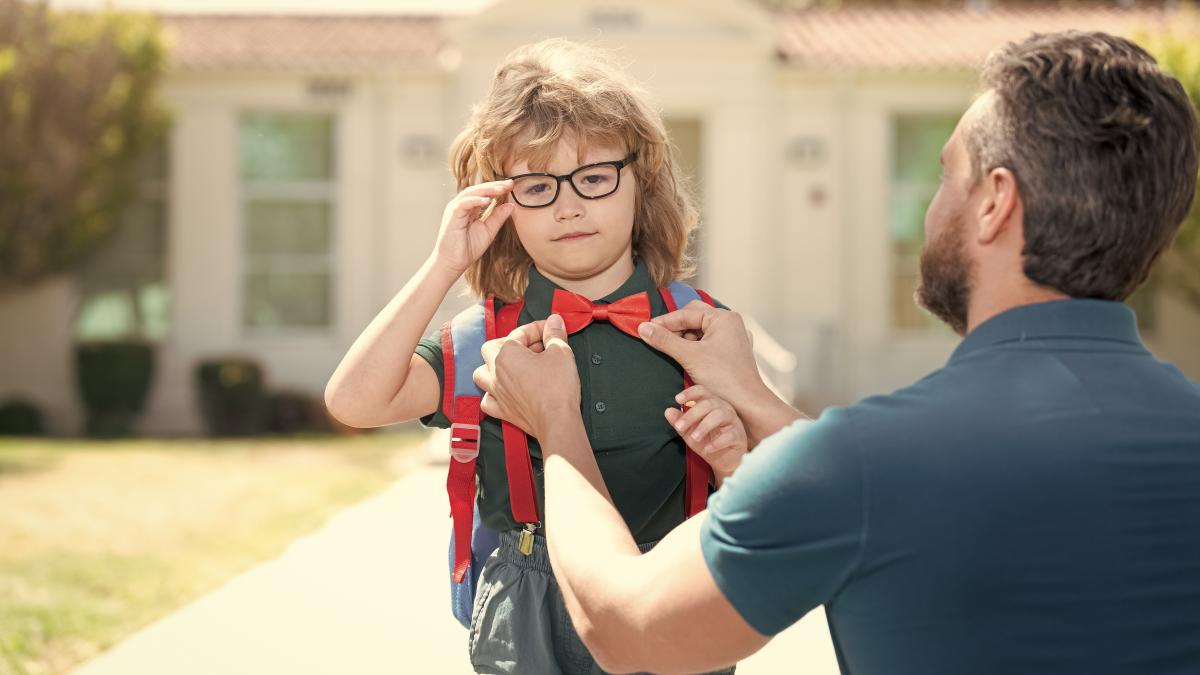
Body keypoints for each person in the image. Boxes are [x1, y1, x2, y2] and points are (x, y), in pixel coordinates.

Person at [471, 31, 1200, 675]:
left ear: (994, 202)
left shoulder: (862, 460)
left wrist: (556, 424)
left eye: (946, 172)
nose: (929, 206)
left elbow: (629, 633)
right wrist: (756, 400)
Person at [325, 38, 746, 674]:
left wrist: (731, 456)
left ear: (642, 182)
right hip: (528, 611)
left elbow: (774, 485)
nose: (569, 205)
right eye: (536, 185)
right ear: (502, 203)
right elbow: (353, 401)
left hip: (671, 591)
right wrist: (445, 264)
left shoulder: (702, 329)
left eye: (595, 177)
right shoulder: (484, 340)